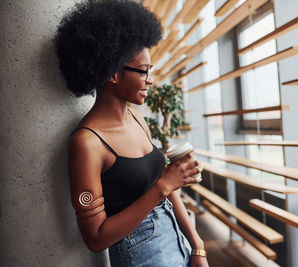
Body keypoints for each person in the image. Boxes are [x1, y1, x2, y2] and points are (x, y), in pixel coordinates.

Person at [54, 1, 209, 266]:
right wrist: (163, 185)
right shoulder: (87, 143)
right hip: (142, 256)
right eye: (144, 71)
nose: (150, 80)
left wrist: (197, 245)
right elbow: (96, 239)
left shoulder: (137, 119)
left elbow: (164, 185)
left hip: (177, 240)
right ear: (113, 73)